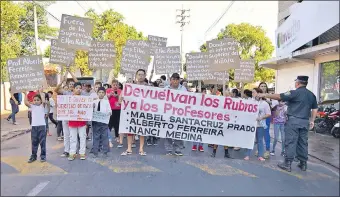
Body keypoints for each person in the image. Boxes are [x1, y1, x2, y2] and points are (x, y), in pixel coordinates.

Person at [256, 76, 318, 172]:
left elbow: (279, 96)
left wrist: (263, 94)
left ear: (298, 83)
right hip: (305, 121)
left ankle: (287, 163)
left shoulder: (294, 92)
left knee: (290, 141)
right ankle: (303, 164)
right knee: (303, 142)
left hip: (293, 121)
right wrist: (312, 120)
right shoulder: (311, 95)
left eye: (295, 81)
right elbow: (315, 109)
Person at [120, 69, 148, 156]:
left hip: (143, 111)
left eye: (142, 75)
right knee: (130, 130)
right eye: (139, 74)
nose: (141, 76)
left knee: (142, 131)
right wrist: (122, 98)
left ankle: (141, 149)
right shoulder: (130, 86)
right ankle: (129, 149)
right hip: (132, 112)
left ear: (145, 76)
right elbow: (121, 97)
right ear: (136, 76)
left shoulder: (149, 87)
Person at [55, 69, 79, 158]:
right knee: (66, 134)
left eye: (73, 85)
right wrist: (61, 81)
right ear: (68, 86)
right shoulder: (65, 92)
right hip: (65, 116)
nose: (72, 85)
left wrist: (71, 72)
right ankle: (66, 150)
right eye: (70, 84)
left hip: (74, 117)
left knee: (73, 135)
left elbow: (78, 82)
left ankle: (74, 150)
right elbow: (56, 89)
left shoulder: (77, 93)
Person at [244, 88, 271, 161]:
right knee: (250, 140)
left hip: (261, 125)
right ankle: (247, 155)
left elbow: (269, 114)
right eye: (252, 92)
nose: (252, 94)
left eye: (254, 92)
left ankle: (260, 155)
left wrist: (261, 117)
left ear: (259, 93)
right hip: (252, 124)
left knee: (260, 140)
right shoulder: (250, 102)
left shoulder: (265, 103)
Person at [23, 87, 49, 163]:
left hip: (42, 127)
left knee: (42, 142)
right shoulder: (32, 107)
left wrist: (40, 92)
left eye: (38, 100)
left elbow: (44, 101)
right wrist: (25, 94)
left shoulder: (42, 106)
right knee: (34, 142)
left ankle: (43, 156)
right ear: (32, 101)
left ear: (41, 101)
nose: (36, 101)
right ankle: (33, 156)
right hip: (34, 127)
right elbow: (26, 103)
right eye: (34, 100)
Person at [164, 73, 187, 156]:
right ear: (170, 80)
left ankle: (178, 149)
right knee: (168, 132)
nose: (175, 81)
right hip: (168, 113)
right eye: (173, 79)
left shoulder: (183, 89)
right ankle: (169, 149)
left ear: (179, 80)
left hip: (179, 114)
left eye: (177, 79)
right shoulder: (166, 89)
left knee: (178, 131)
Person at [68, 82, 88, 161]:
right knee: (72, 138)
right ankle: (72, 153)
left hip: (82, 122)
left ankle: (82, 153)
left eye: (80, 88)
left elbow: (87, 110)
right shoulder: (69, 98)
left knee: (82, 137)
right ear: (73, 89)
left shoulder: (85, 99)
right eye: (77, 88)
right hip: (72, 121)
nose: (78, 89)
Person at [91, 87, 111, 157]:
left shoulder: (106, 102)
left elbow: (109, 111)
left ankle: (105, 151)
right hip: (96, 122)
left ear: (105, 94)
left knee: (104, 137)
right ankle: (95, 151)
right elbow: (90, 111)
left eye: (103, 93)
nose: (101, 94)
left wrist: (108, 113)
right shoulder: (94, 102)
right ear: (97, 93)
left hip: (104, 122)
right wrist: (92, 107)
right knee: (96, 137)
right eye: (100, 92)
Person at [258, 82, 275, 159]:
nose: (263, 87)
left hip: (266, 117)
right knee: (258, 133)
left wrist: (267, 100)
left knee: (266, 132)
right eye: (261, 86)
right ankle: (259, 149)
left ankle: (267, 150)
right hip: (258, 117)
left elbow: (273, 104)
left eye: (265, 86)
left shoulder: (269, 96)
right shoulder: (256, 95)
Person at [107, 79, 122, 147]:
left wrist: (118, 96)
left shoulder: (120, 91)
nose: (115, 86)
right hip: (110, 109)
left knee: (117, 123)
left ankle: (117, 136)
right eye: (114, 85)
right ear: (111, 85)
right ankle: (108, 138)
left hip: (118, 109)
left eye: (116, 85)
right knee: (110, 123)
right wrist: (110, 94)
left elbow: (122, 99)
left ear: (118, 85)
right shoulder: (108, 90)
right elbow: (106, 97)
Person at [192, 88, 206, 152]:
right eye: (203, 91)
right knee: (195, 131)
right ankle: (194, 145)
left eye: (205, 92)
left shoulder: (208, 100)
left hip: (204, 118)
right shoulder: (196, 100)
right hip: (196, 118)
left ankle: (200, 146)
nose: (204, 93)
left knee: (202, 132)